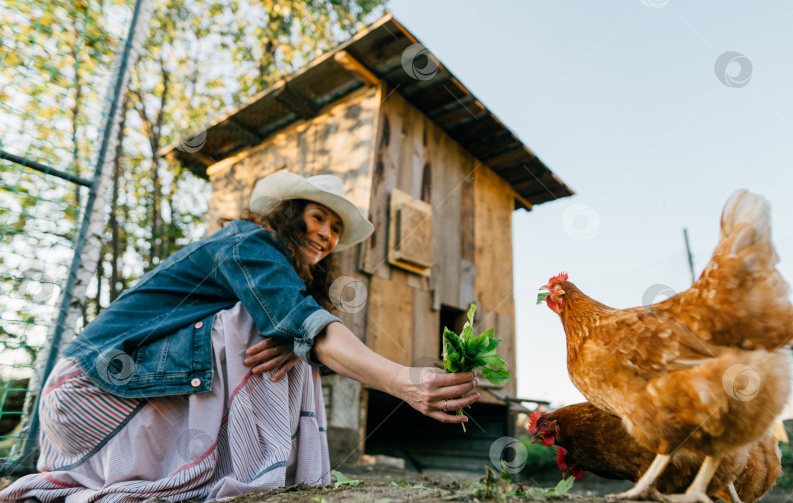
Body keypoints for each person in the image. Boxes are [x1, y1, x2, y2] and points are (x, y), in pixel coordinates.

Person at [0, 171, 480, 502]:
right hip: (85, 395)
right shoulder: (248, 243)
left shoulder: (267, 267)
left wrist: (299, 340)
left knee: (291, 334)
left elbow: (302, 325)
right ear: (290, 213)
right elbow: (305, 322)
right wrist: (403, 381)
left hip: (87, 416)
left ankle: (252, 468)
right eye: (318, 217)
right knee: (281, 325)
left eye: (336, 228)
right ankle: (256, 476)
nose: (327, 234)